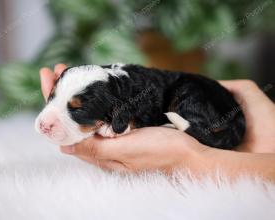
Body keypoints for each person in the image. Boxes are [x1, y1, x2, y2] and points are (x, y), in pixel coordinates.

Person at [39, 64, 275, 181]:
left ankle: (203, 132)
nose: (45, 121)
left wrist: (193, 159)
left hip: (218, 116)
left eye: (77, 112)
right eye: (53, 97)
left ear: (117, 112)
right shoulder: (110, 93)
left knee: (186, 94)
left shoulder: (125, 103)